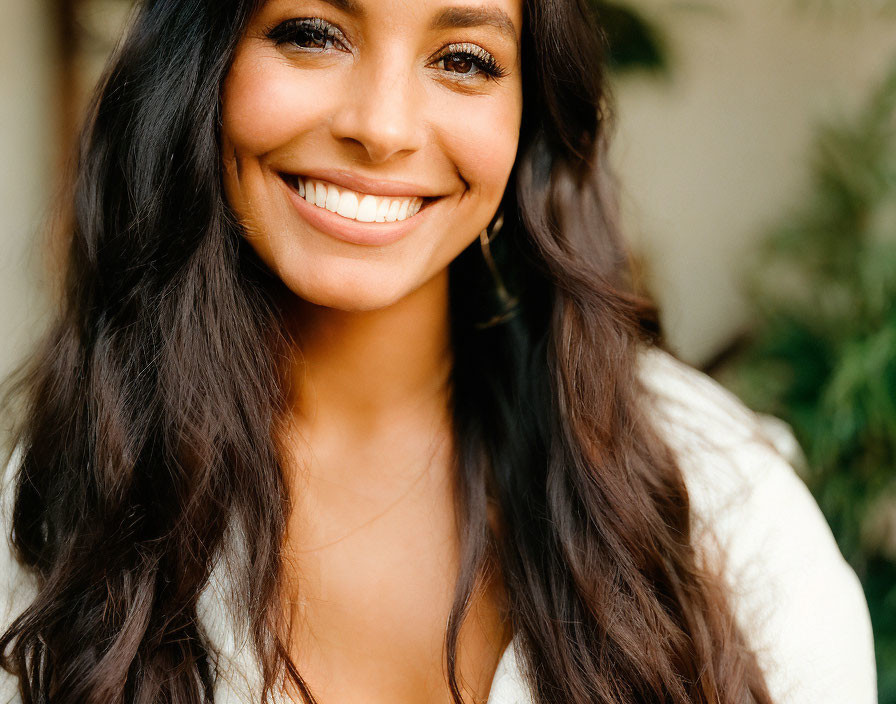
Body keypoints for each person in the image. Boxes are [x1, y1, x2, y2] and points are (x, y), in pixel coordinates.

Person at [0, 0, 877, 702]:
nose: (382, 128)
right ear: (201, 67)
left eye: (464, 58)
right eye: (311, 33)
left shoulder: (718, 495)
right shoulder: (65, 510)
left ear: (531, 111)